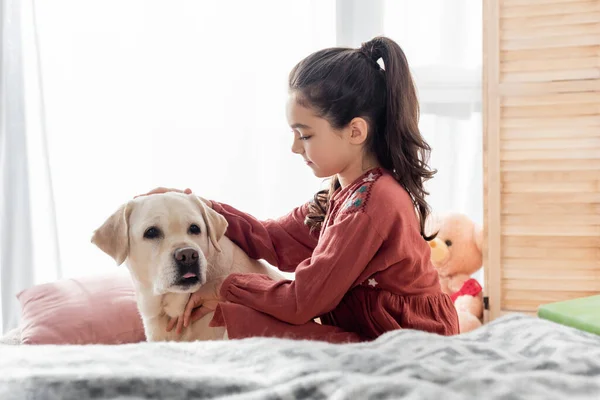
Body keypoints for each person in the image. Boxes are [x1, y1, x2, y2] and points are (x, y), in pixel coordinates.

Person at [140, 36, 460, 343]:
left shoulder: (370, 204)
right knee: (244, 314)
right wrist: (196, 205)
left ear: (355, 131)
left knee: (248, 318)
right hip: (372, 331)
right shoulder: (342, 193)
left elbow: (301, 302)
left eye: (304, 135)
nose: (295, 147)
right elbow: (273, 240)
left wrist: (226, 286)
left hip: (405, 340)